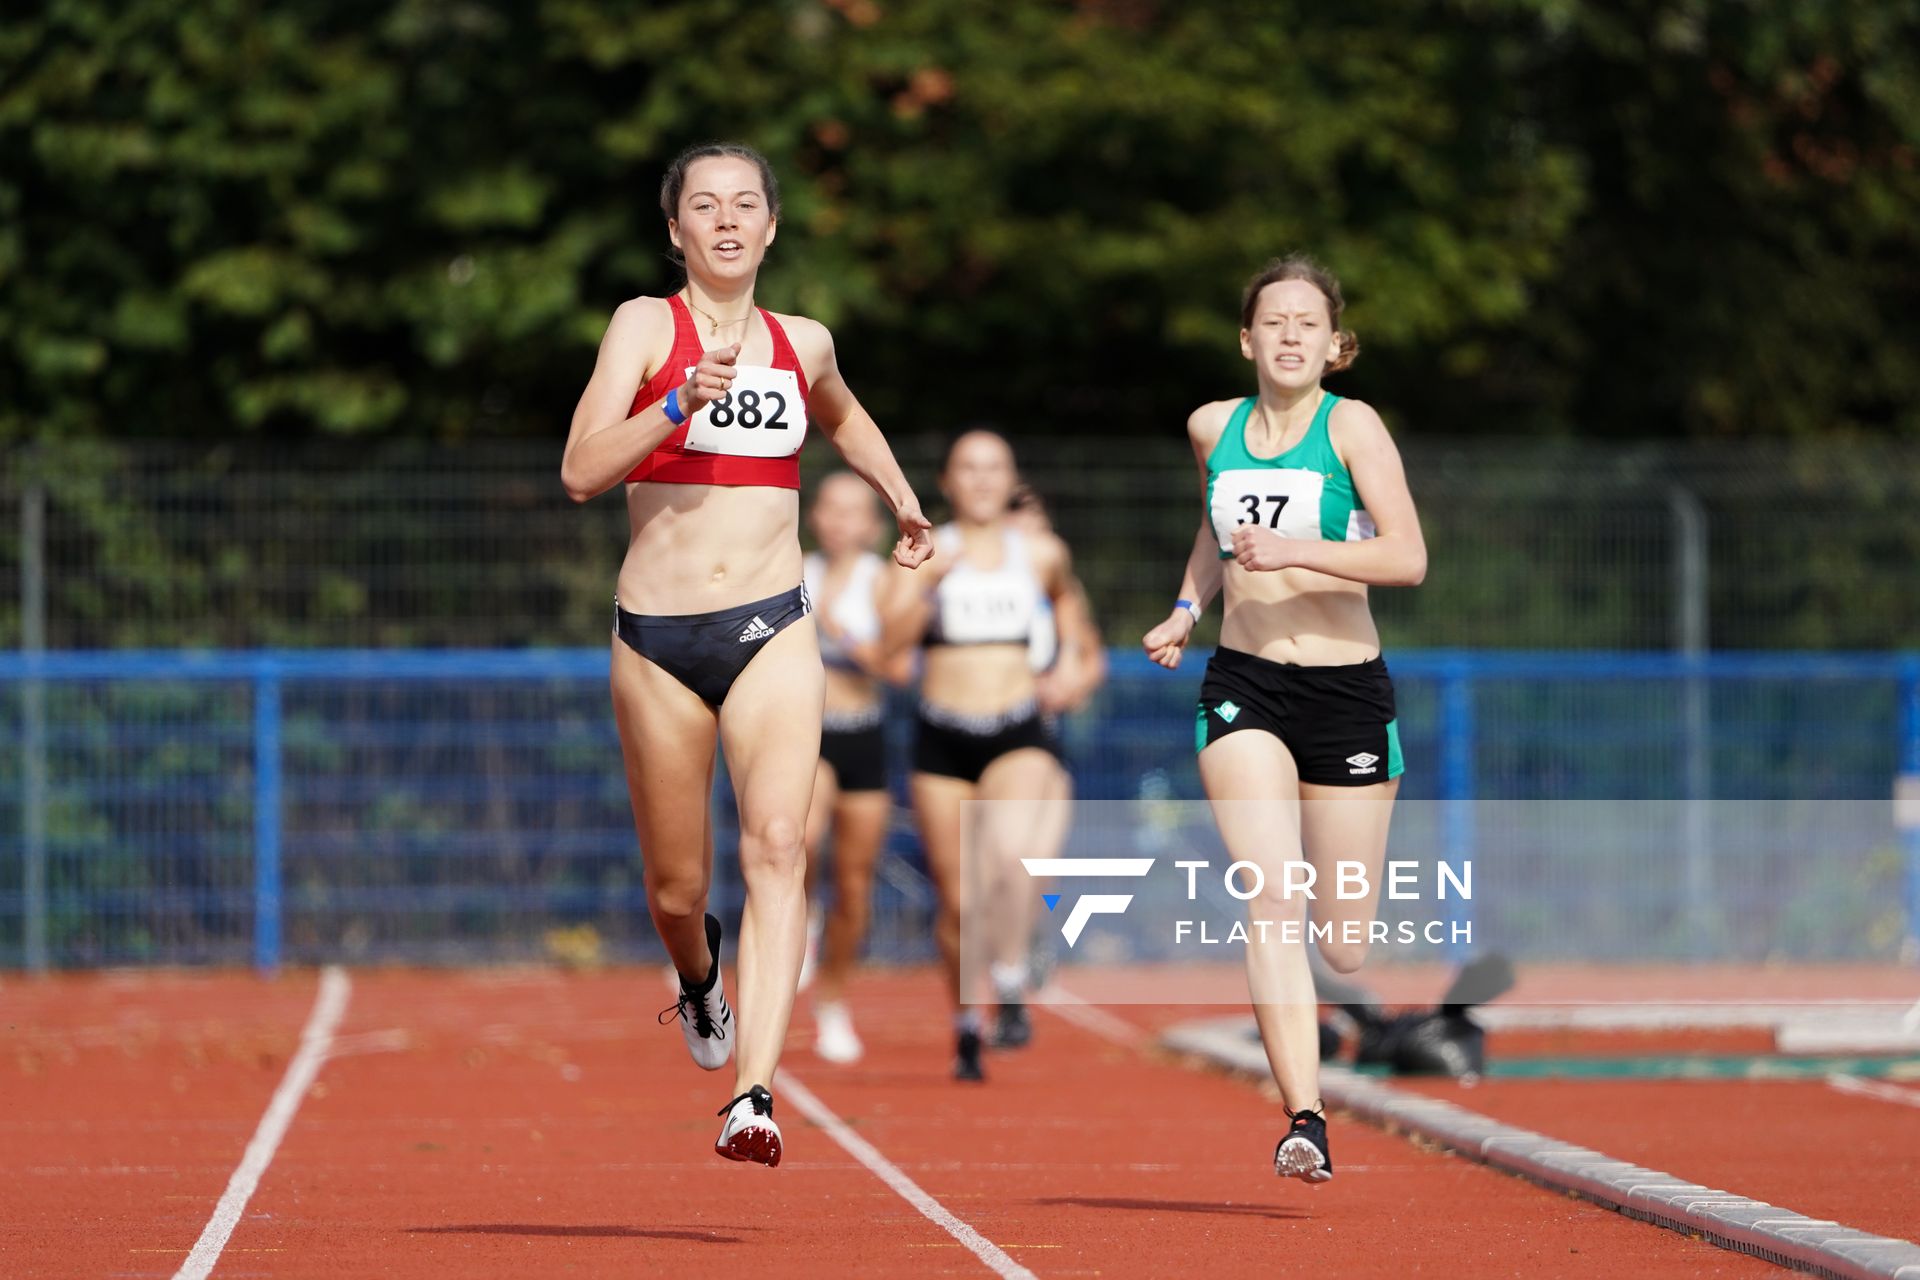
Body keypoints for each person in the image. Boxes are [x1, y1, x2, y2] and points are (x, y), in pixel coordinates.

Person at [560, 142, 932, 1167]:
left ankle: (754, 1092)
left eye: (746, 205)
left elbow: (845, 416)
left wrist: (902, 496)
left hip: (775, 623)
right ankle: (697, 977)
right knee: (680, 889)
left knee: (779, 844)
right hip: (659, 638)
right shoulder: (645, 324)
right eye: (705, 206)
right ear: (676, 229)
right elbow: (581, 468)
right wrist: (677, 403)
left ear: (772, 226)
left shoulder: (801, 341)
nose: (726, 221)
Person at [1141, 255, 1426, 1184]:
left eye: (1309, 321)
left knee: (1344, 941)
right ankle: (1305, 1116)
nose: (1292, 335)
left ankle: (1350, 1011)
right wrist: (1186, 610)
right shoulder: (1211, 426)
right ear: (1248, 340)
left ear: (1333, 344)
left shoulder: (1355, 428)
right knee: (1271, 896)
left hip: (1346, 693)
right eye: (1276, 321)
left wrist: (1299, 548)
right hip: (1246, 684)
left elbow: (1409, 558)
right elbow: (1213, 532)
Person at [880, 431, 1085, 1081]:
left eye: (995, 467)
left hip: (1016, 728)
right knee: (959, 901)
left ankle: (1012, 976)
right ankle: (967, 1024)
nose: (982, 479)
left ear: (1011, 476)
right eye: (968, 468)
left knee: (1007, 857)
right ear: (947, 481)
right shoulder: (921, 551)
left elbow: (1075, 633)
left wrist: (1070, 675)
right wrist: (927, 585)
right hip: (941, 732)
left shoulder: (1043, 553)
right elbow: (889, 644)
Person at [798, 471, 909, 1064]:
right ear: (816, 516)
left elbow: (896, 668)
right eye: (831, 508)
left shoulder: (883, 580)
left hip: (863, 733)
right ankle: (802, 915)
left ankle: (833, 1004)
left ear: (871, 525)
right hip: (806, 732)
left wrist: (840, 633)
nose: (841, 521)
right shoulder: (794, 570)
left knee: (857, 887)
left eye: (853, 512)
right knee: (804, 839)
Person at [1002, 483, 1108, 1017]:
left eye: (1036, 524)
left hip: (1043, 735)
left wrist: (1071, 685)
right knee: (995, 862)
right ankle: (1004, 959)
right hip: (985, 731)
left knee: (1038, 862)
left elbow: (1091, 657)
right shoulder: (977, 579)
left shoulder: (1062, 591)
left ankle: (1030, 943)